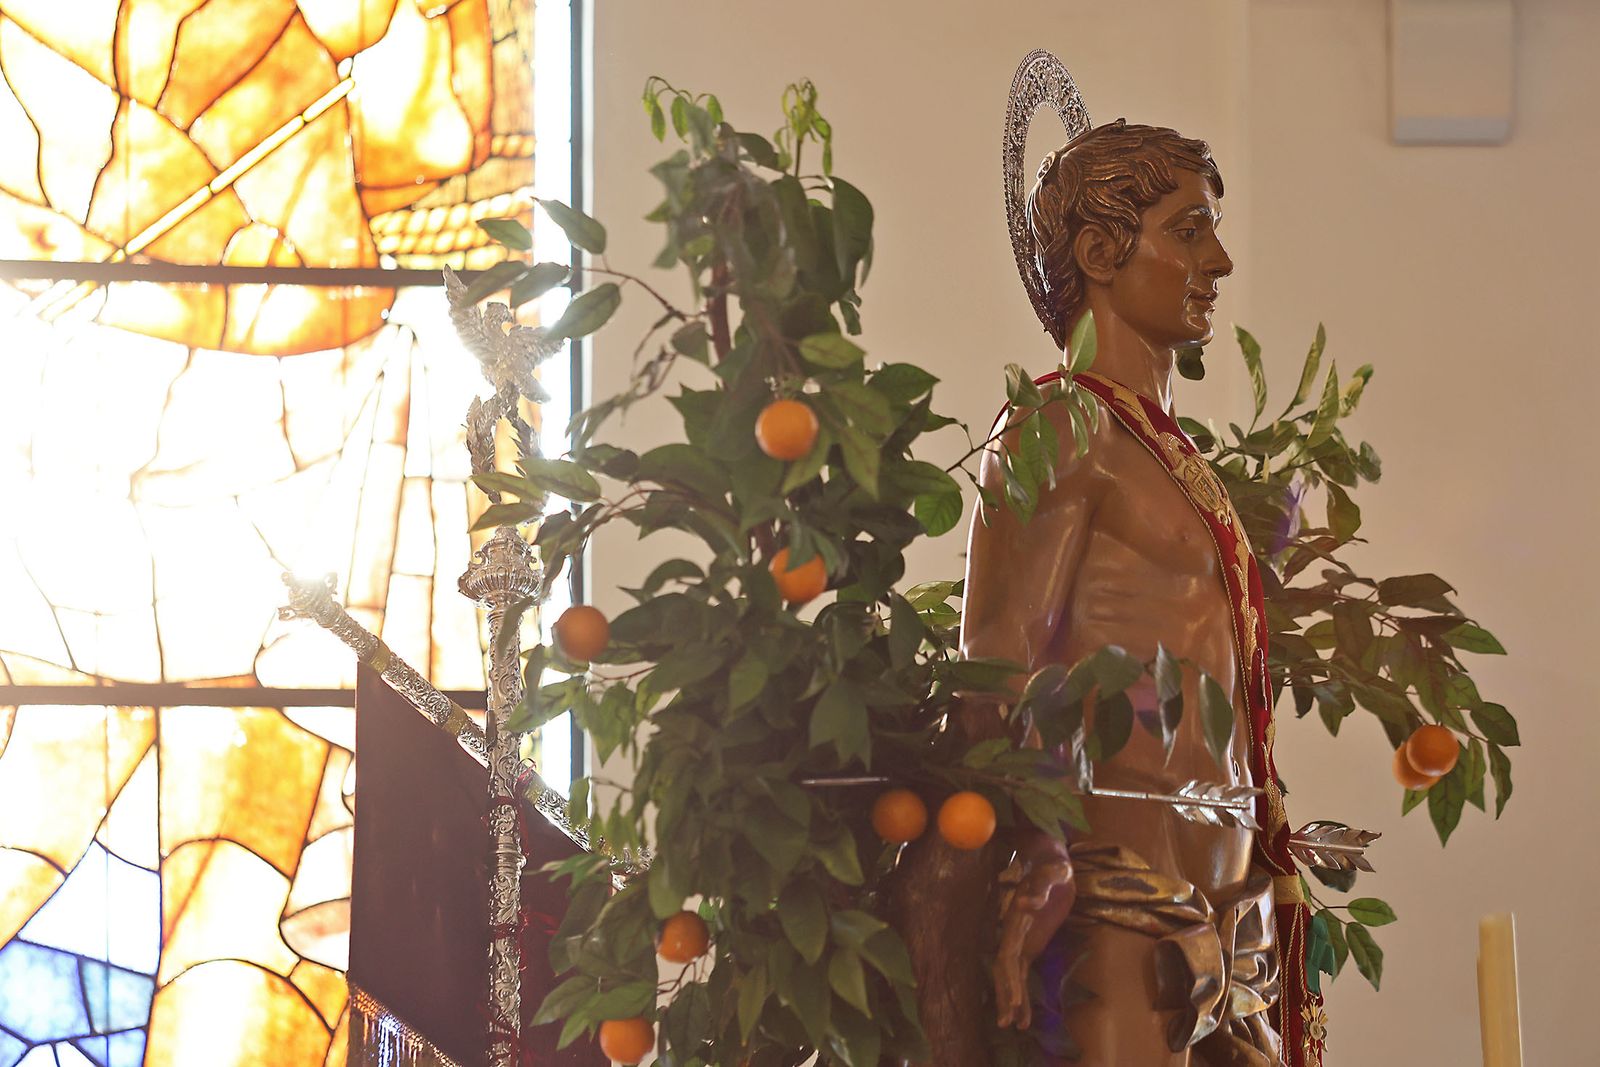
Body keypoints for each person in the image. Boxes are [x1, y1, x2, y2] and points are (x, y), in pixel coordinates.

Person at [889, 121, 1312, 1066]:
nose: (1221, 260)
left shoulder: (1177, 457)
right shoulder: (1058, 420)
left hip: (1228, 903)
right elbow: (996, 662)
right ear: (1099, 252)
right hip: (1120, 897)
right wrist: (1035, 848)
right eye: (1191, 231)